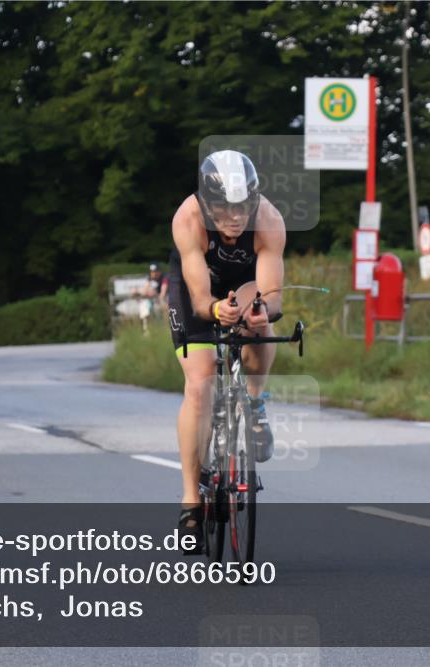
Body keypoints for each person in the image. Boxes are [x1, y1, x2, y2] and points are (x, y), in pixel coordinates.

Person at [166, 150, 286, 551]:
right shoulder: (188, 219)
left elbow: (273, 294)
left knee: (261, 320)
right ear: (206, 203)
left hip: (246, 279)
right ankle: (190, 501)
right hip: (197, 283)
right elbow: (201, 301)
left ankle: (255, 403)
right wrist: (217, 309)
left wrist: (260, 311)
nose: (234, 217)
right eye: (223, 208)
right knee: (200, 386)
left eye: (242, 207)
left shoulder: (268, 220)